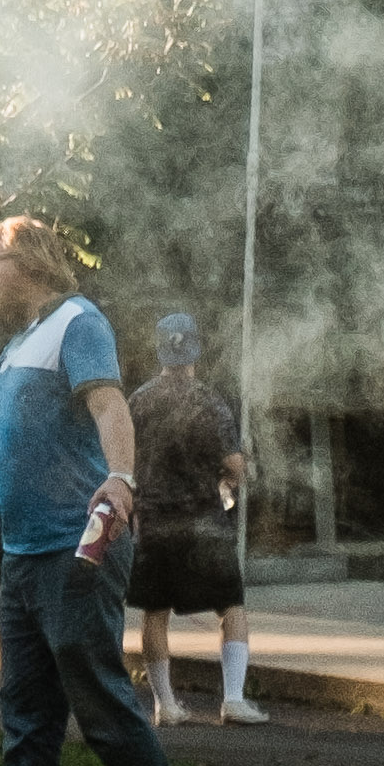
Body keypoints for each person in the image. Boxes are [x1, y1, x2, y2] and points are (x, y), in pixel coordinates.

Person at [0, 215, 208, 766]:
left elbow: (108, 407)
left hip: (76, 542)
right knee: (26, 700)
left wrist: (120, 480)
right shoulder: (19, 341)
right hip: (24, 550)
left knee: (95, 692)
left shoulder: (76, 322)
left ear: (27, 261)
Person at [128, 308, 264, 732]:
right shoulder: (209, 401)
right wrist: (240, 474)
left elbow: (122, 458)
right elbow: (234, 465)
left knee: (154, 612)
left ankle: (166, 704)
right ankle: (234, 700)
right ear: (196, 352)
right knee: (232, 607)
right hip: (203, 521)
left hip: (152, 521)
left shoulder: (138, 401)